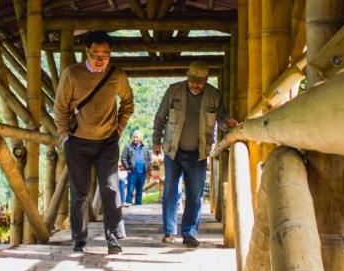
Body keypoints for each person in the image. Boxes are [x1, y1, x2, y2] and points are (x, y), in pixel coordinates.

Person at [52, 30, 134, 254]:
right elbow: (60, 108)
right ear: (86, 52)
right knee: (80, 192)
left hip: (107, 141)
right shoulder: (72, 74)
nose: (101, 59)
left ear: (110, 54)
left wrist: (119, 128)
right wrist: (65, 136)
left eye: (105, 54)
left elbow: (128, 102)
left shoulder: (117, 76)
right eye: (96, 53)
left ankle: (114, 238)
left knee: (110, 187)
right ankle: (79, 240)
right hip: (77, 141)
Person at [151, 60, 236, 247]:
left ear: (206, 80)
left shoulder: (214, 95)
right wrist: (156, 141)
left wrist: (228, 123)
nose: (195, 85)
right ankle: (169, 232)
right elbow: (160, 117)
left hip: (199, 153)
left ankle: (189, 233)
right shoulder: (173, 91)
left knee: (195, 194)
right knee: (170, 192)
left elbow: (220, 119)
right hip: (173, 151)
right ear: (187, 76)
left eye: (200, 81)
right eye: (192, 80)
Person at [120, 130, 152, 205]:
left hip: (142, 173)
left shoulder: (145, 148)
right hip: (132, 173)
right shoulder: (128, 147)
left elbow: (149, 159)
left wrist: (147, 168)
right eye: (134, 137)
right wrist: (128, 168)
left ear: (140, 138)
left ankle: (138, 207)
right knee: (130, 191)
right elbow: (123, 158)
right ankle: (128, 206)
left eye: (136, 137)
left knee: (139, 191)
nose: (135, 139)